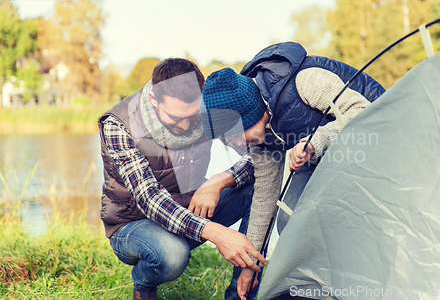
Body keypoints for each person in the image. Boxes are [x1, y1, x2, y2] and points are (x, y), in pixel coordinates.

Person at [200, 41, 386, 299]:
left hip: (378, 140)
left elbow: (364, 112)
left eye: (235, 135)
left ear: (250, 114)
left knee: (332, 219)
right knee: (291, 218)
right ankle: (323, 288)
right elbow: (265, 199)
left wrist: (315, 143)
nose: (237, 144)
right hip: (327, 156)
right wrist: (250, 267)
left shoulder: (304, 82)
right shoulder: (261, 139)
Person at [97, 58, 267, 300]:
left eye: (193, 114)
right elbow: (149, 199)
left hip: (188, 209)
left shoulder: (207, 106)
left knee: (257, 188)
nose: (186, 125)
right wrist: (217, 234)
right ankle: (144, 283)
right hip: (133, 222)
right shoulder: (118, 125)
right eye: (176, 117)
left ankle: (239, 295)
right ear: (154, 99)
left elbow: (260, 155)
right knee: (172, 256)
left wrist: (221, 180)